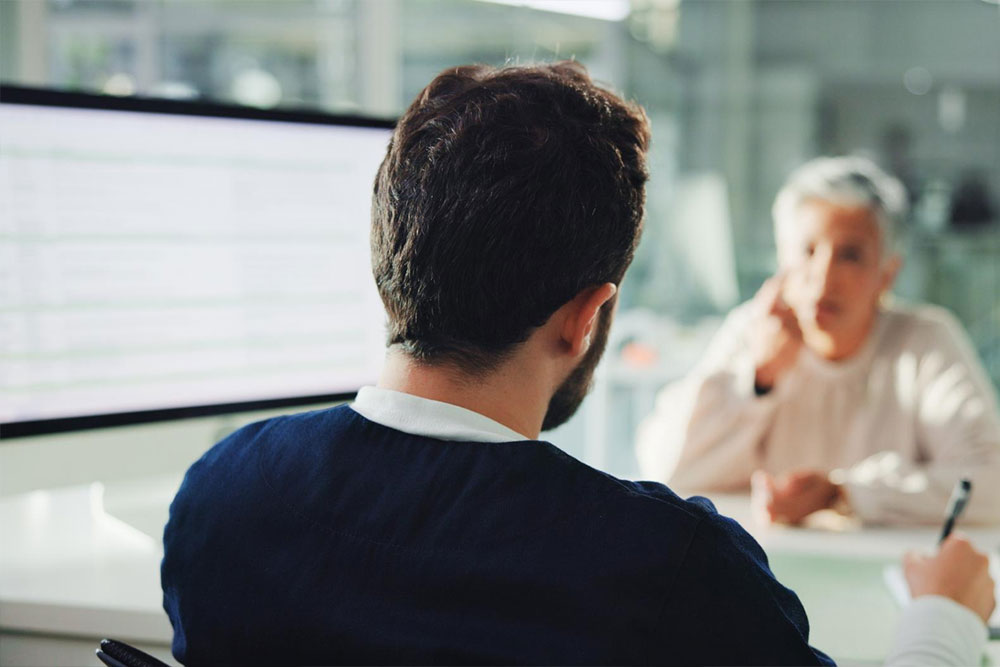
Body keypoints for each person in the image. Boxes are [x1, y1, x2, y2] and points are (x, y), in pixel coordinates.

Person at [162, 66, 994, 665]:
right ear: (587, 317)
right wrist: (943, 621)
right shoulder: (673, 574)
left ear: (389, 270)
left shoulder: (220, 500)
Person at [636, 156, 1000, 526]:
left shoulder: (924, 341)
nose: (824, 278)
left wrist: (843, 494)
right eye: (807, 251)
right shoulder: (753, 331)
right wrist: (759, 379)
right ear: (782, 259)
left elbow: (991, 482)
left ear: (887, 274)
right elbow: (665, 469)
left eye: (850, 256)